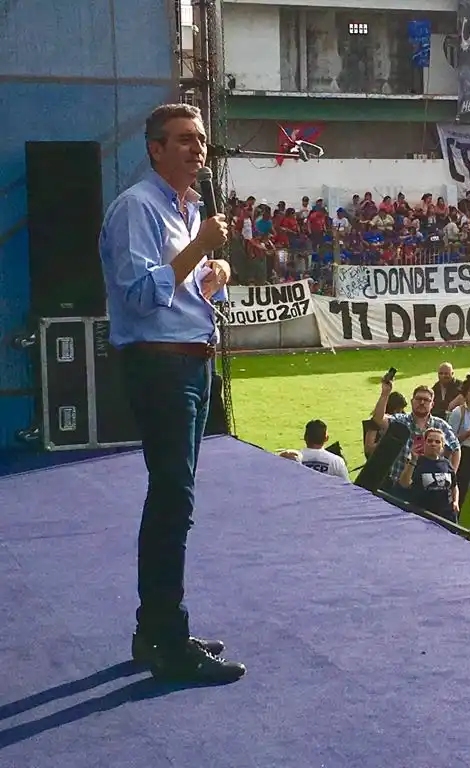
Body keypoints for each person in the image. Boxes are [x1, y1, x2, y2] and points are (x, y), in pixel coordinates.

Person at [99, 103, 244, 682]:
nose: (197, 149)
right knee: (171, 501)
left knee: (174, 501)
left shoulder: (188, 211)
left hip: (189, 365)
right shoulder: (139, 207)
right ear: (154, 149)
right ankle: (164, 637)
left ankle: (158, 630)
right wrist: (199, 247)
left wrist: (214, 279)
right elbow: (137, 296)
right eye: (183, 140)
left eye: (201, 140)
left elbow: (182, 295)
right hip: (160, 369)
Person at [398, 428, 459, 522]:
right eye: (429, 441)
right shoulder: (416, 462)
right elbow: (404, 483)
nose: (433, 444)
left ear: (442, 446)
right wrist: (413, 460)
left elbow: (454, 486)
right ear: (424, 443)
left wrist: (455, 502)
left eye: (437, 441)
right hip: (422, 516)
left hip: (446, 516)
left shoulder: (446, 464)